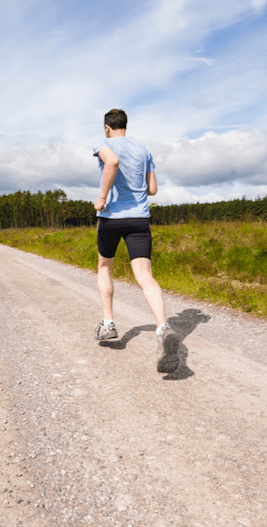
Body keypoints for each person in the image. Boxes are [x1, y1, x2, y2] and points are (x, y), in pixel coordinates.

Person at [92, 108, 181, 373]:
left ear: (107, 127)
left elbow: (112, 162)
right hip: (140, 219)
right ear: (125, 126)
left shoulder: (103, 143)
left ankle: (108, 324)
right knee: (144, 275)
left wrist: (102, 198)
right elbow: (152, 189)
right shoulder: (143, 149)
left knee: (105, 266)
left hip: (111, 218)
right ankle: (163, 326)